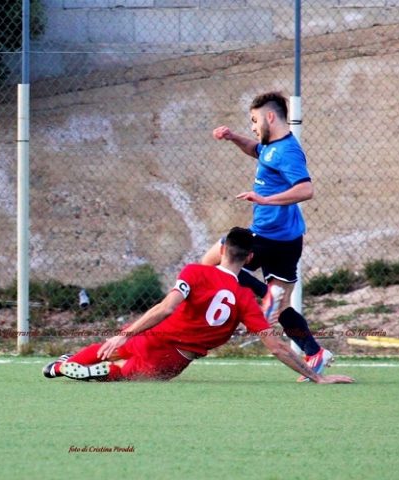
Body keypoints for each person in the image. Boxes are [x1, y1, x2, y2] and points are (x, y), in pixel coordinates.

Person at [42, 227, 353, 384]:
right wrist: (317, 377)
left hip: (147, 337)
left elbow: (164, 309)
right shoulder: (246, 299)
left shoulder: (194, 271)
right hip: (171, 359)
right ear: (249, 259)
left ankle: (59, 367)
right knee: (123, 376)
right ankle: (99, 372)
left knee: (104, 348)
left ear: (221, 249)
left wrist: (124, 333)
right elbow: (276, 347)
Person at [201, 91, 330, 382]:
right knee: (281, 308)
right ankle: (314, 352)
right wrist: (233, 137)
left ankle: (264, 297)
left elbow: (306, 189)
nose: (253, 126)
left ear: (270, 117)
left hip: (269, 236)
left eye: (255, 120)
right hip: (286, 239)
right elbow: (255, 149)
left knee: (214, 261)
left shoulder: (287, 151)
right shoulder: (271, 146)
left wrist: (265, 199)